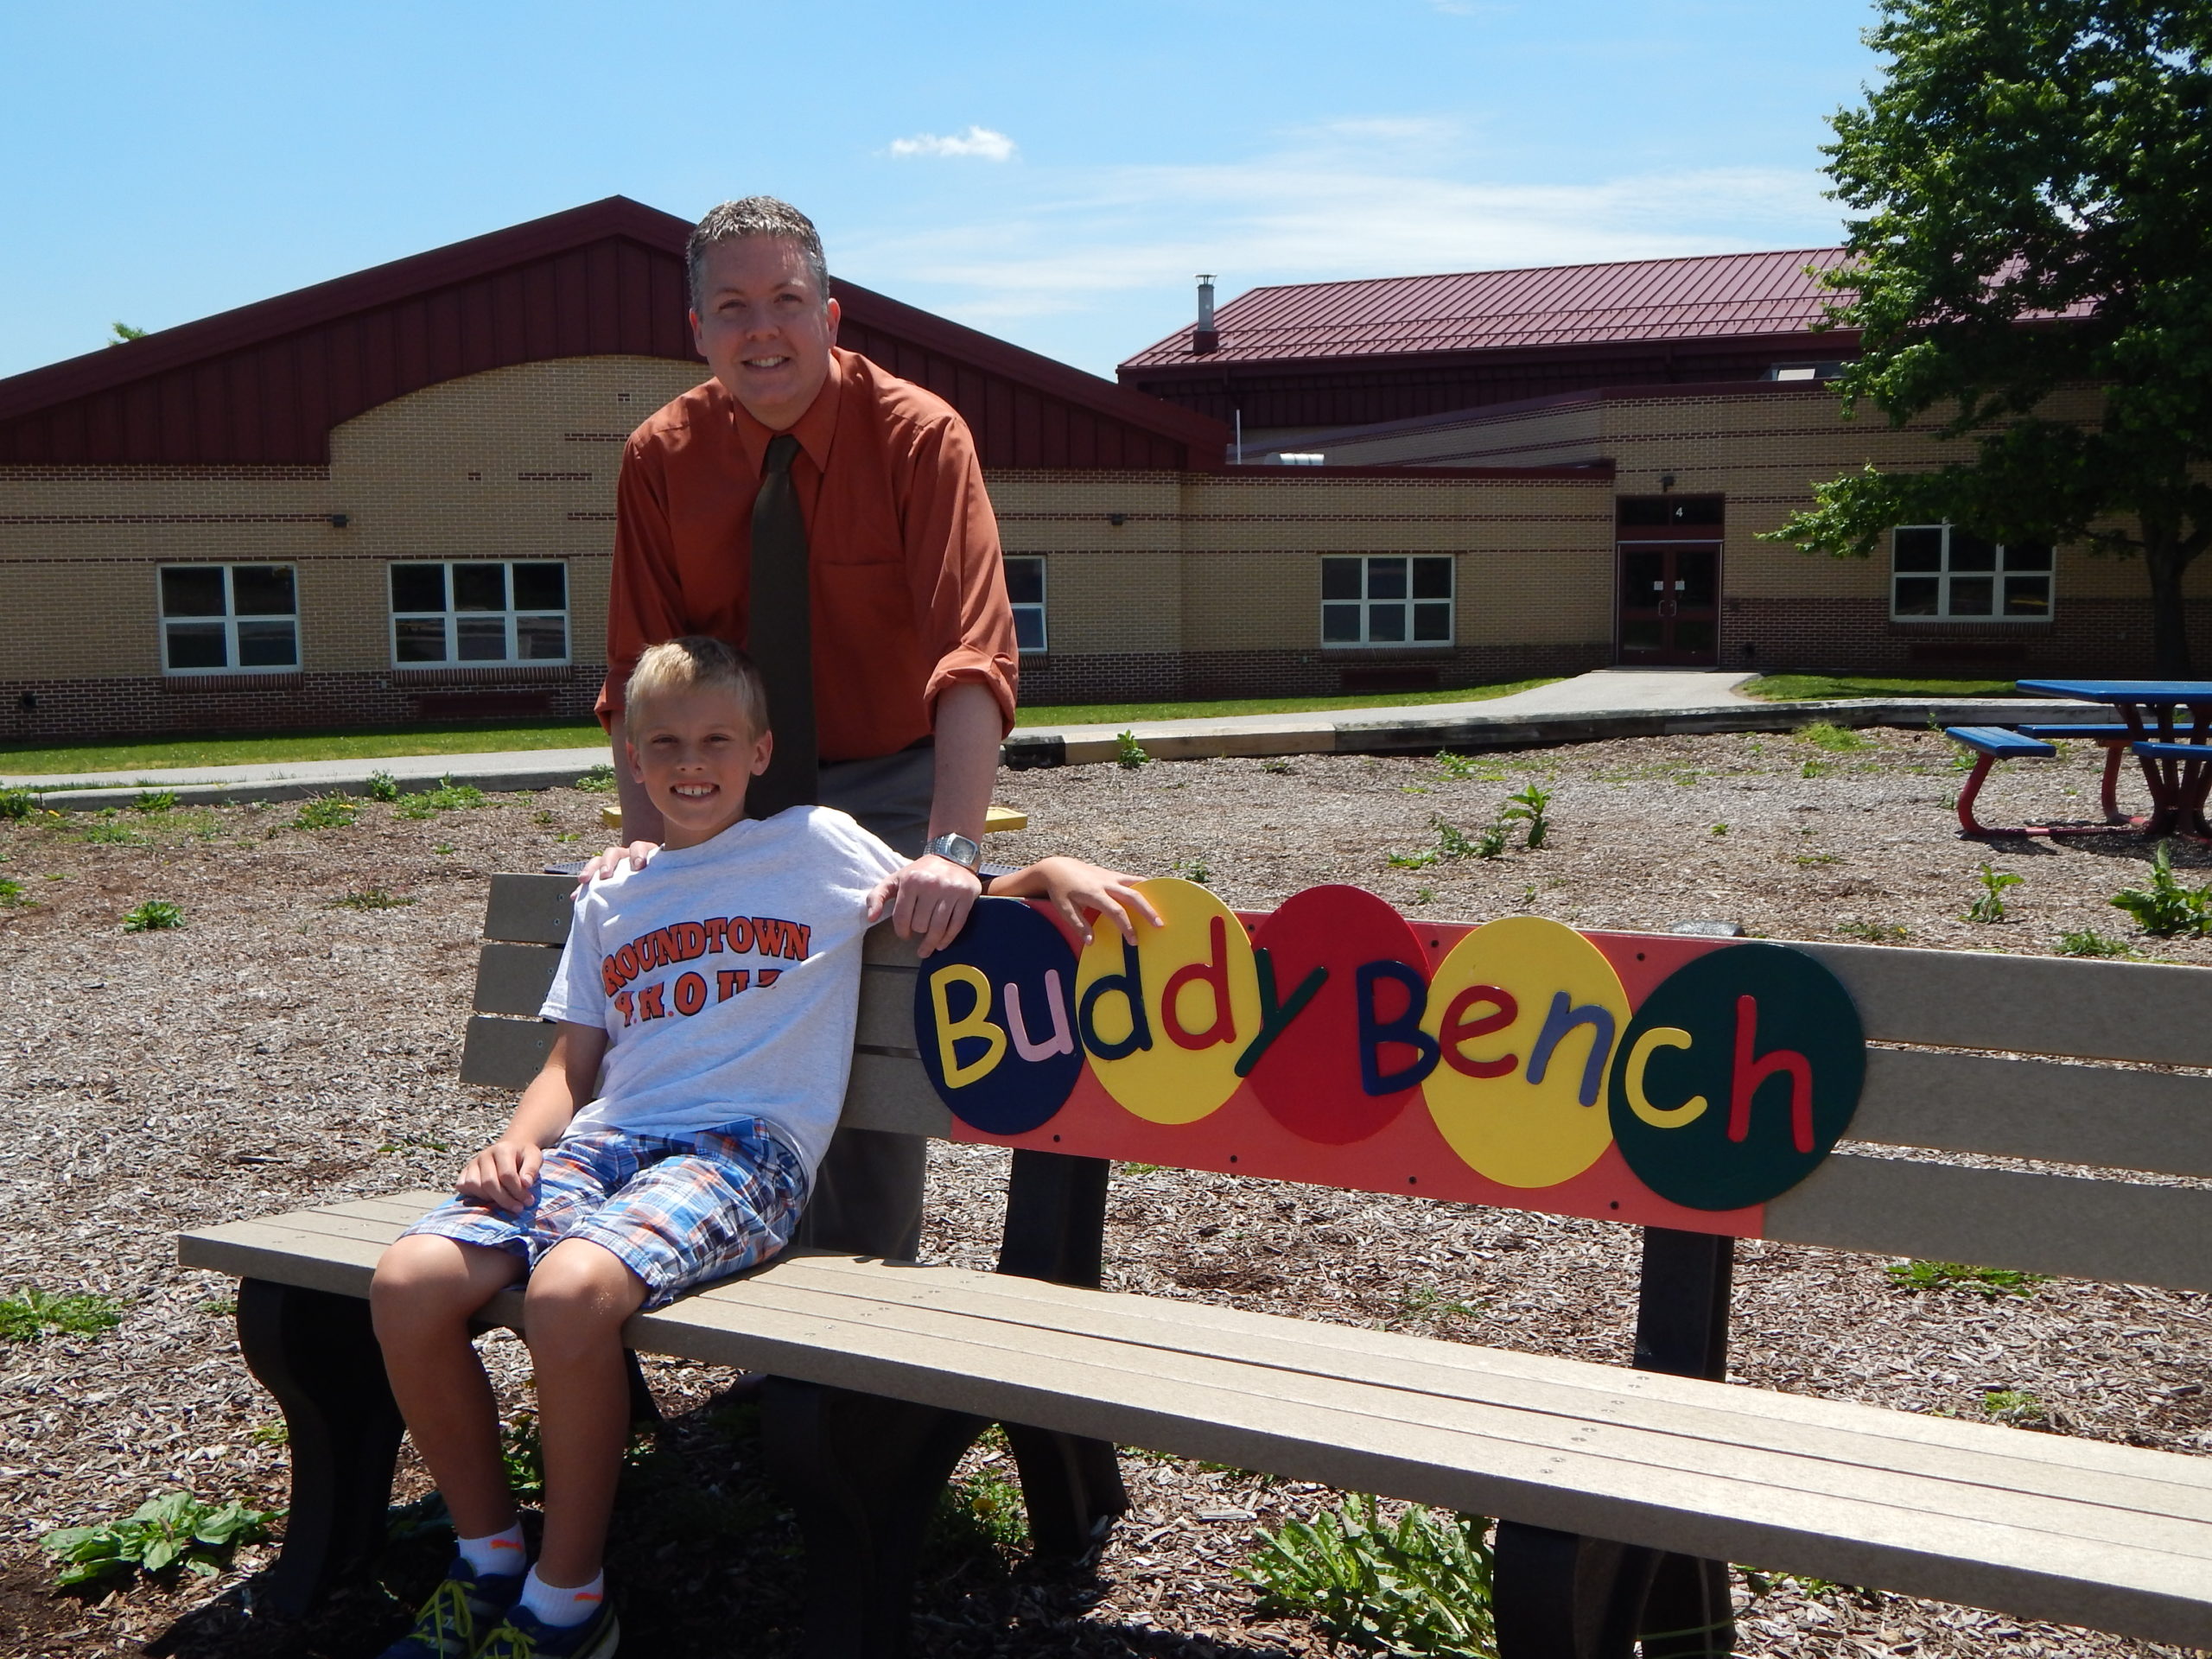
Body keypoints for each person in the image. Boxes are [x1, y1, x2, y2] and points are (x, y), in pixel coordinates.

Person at [371, 638, 1154, 1659]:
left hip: (743, 1151)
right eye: (664, 743)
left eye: (714, 740)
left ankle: (569, 1600)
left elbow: (946, 899)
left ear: (759, 751)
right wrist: (516, 1142)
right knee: (408, 1283)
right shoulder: (613, 896)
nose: (689, 762)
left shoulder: (817, 845)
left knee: (568, 1297)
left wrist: (1047, 870)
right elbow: (572, 1065)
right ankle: (487, 1554)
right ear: (633, 762)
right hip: (609, 1139)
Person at [582, 194, 1015, 1266]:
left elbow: (973, 654)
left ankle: (863, 1342)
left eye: (787, 299)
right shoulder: (660, 458)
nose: (762, 328)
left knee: (867, 1066)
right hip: (724, 784)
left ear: (831, 313)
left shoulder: (919, 437)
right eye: (732, 306)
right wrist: (651, 842)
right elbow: (637, 675)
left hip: (883, 774)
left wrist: (951, 853)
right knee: (709, 1043)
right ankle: (713, 1278)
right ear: (697, 329)